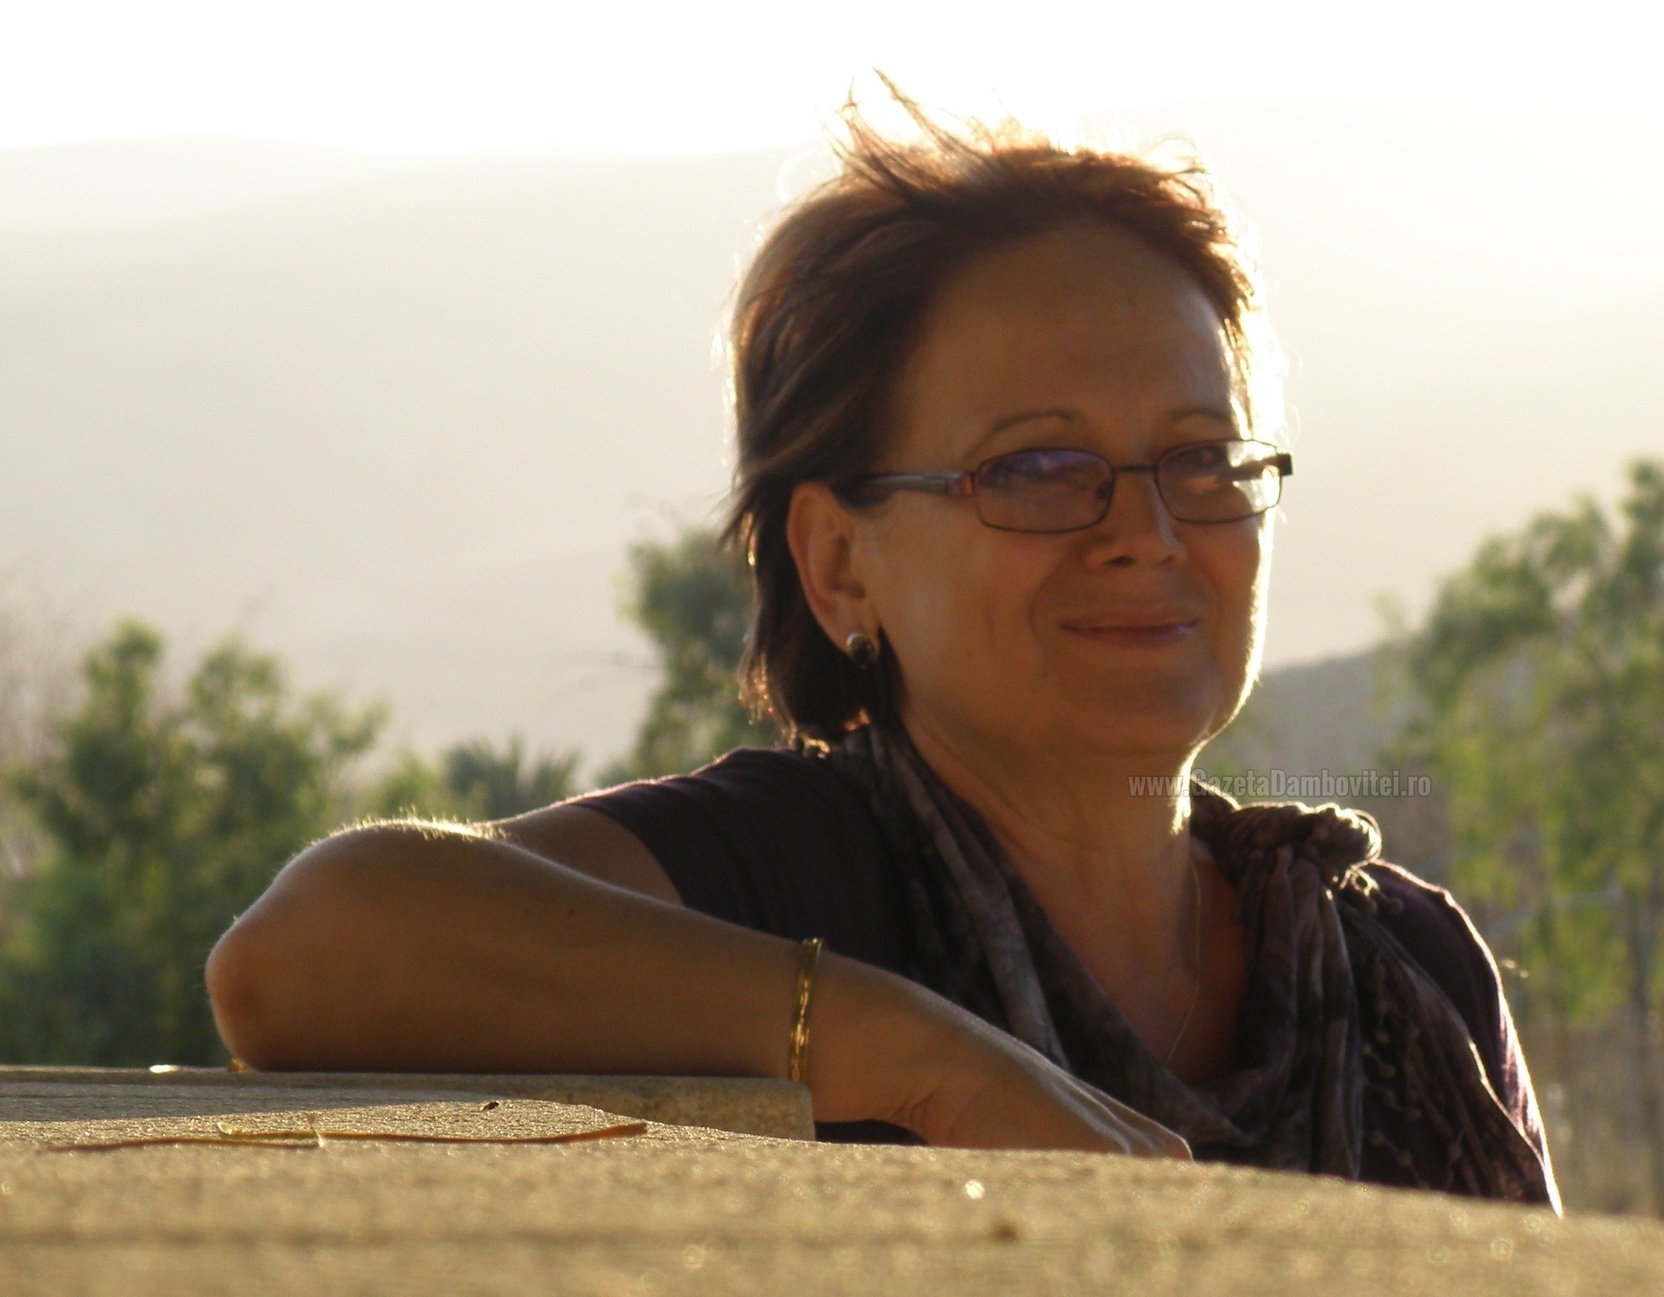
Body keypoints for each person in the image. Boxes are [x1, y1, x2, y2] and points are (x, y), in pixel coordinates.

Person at [206, 95, 1559, 1211]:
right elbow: (307, 955)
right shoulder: (788, 882)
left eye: (1202, 460)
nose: (1147, 534)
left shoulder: (1400, 965)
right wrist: (913, 1055)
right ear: (838, 562)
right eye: (1039, 468)